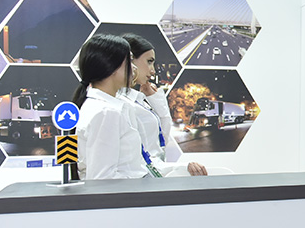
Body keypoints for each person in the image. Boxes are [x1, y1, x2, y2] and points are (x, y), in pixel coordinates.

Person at [121, 34, 206, 177]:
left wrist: (155, 100)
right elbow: (141, 161)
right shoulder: (121, 105)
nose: (153, 70)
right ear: (129, 60)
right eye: (149, 62)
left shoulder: (138, 99)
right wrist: (181, 167)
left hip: (152, 177)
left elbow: (160, 142)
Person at [74, 34, 152, 180]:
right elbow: (102, 180)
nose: (134, 68)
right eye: (129, 61)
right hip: (127, 193)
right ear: (112, 66)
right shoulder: (106, 113)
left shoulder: (107, 107)